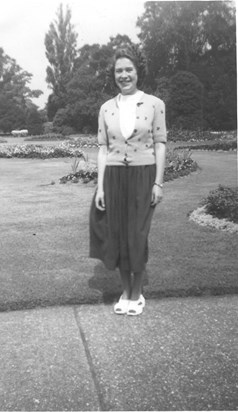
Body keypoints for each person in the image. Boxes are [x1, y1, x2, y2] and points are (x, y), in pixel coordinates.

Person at [89, 46, 167, 316]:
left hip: (143, 174)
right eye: (118, 70)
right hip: (112, 176)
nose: (124, 75)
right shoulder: (106, 108)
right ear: (114, 75)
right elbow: (102, 149)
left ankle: (137, 292)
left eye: (128, 69)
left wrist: (158, 182)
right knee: (118, 234)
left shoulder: (155, 104)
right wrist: (100, 186)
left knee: (138, 234)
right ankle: (125, 292)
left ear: (137, 72)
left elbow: (160, 144)